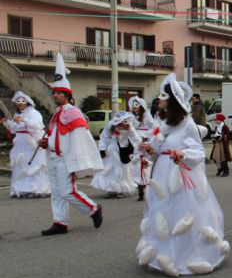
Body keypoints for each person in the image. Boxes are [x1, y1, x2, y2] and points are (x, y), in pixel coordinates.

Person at [136, 73, 229, 277]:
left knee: (184, 214)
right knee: (164, 213)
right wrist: (150, 149)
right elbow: (158, 149)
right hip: (163, 174)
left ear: (173, 101)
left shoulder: (187, 124)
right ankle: (163, 253)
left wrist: (183, 153)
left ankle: (186, 255)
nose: (158, 99)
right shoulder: (165, 124)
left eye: (162, 95)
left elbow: (198, 151)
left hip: (181, 176)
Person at [39, 54, 104, 236]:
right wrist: (46, 142)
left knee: (67, 192)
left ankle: (93, 208)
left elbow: (79, 139)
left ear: (67, 95)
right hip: (52, 157)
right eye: (54, 92)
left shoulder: (74, 113)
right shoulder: (56, 114)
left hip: (65, 159)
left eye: (59, 93)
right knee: (57, 192)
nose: (56, 95)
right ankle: (60, 222)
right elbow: (55, 135)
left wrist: (77, 160)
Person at [1, 91, 50, 198]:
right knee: (20, 165)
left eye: (23, 101)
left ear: (27, 102)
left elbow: (37, 125)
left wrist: (25, 120)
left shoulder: (34, 113)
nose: (20, 103)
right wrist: (5, 122)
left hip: (31, 143)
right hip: (20, 143)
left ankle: (37, 188)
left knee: (33, 165)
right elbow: (14, 128)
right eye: (18, 102)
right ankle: (21, 188)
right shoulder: (18, 114)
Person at [91, 112, 139, 197]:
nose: (123, 122)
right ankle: (112, 189)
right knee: (110, 169)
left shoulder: (129, 126)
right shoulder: (110, 125)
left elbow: (135, 138)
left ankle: (122, 190)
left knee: (123, 170)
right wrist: (102, 149)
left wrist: (138, 148)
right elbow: (104, 137)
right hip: (112, 150)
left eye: (124, 120)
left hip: (124, 151)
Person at [128, 97, 155, 201]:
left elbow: (153, 128)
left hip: (144, 141)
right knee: (137, 164)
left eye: (137, 106)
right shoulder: (131, 116)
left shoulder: (147, 115)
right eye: (133, 106)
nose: (134, 108)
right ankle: (140, 187)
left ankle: (146, 187)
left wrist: (145, 136)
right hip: (135, 141)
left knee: (145, 163)